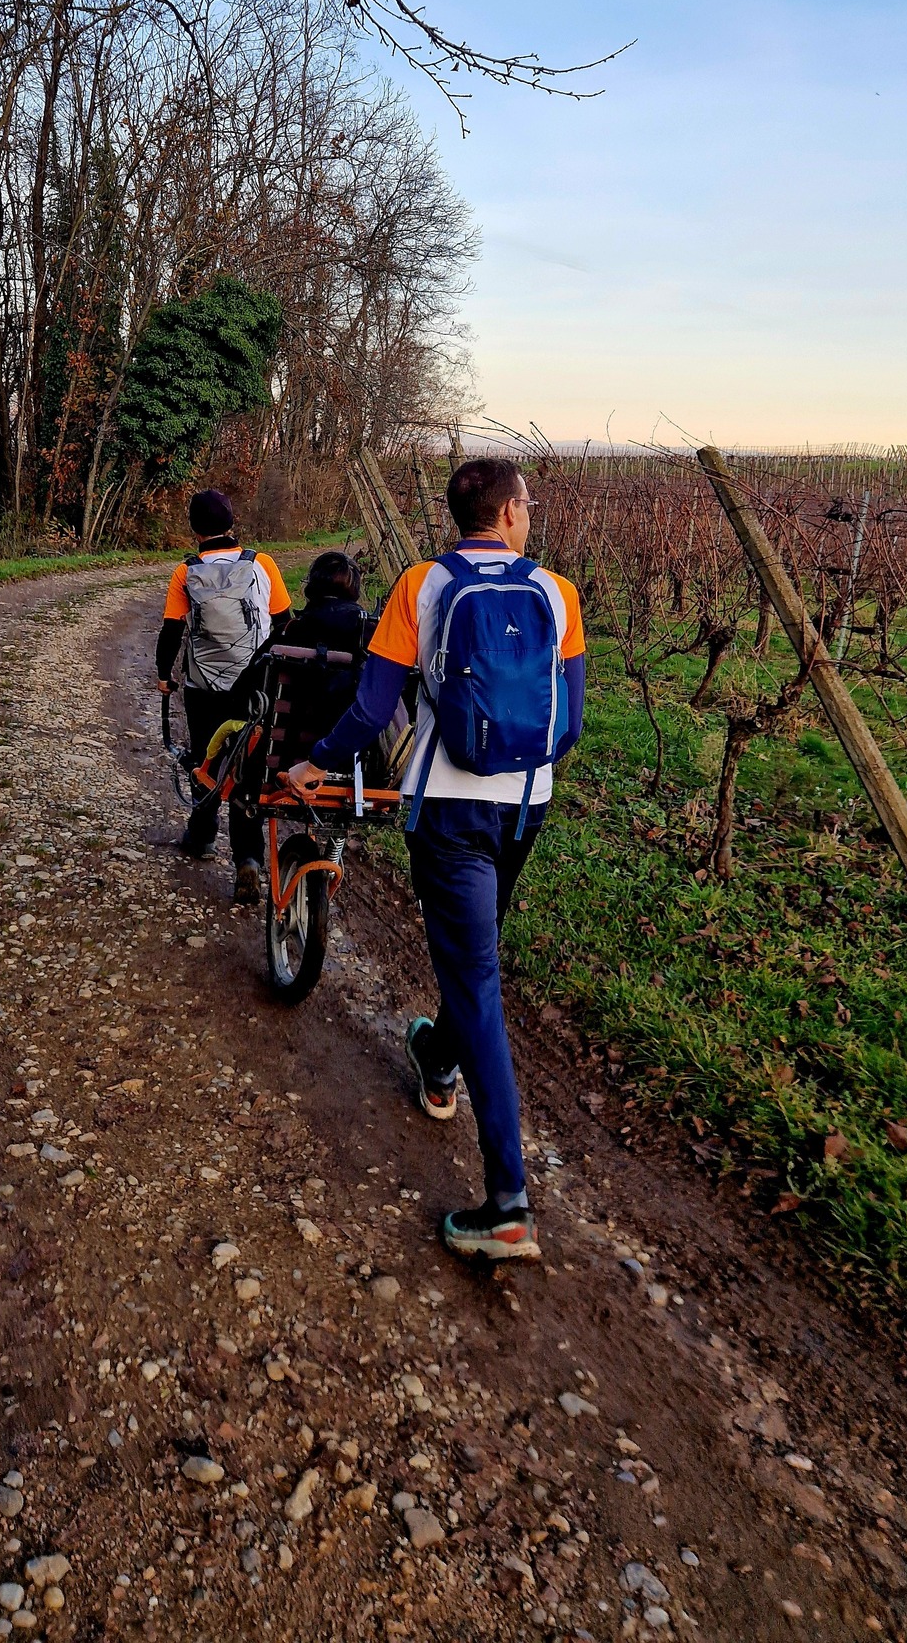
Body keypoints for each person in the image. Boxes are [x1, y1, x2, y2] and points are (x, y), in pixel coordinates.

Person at [288, 458, 585, 1262]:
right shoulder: (558, 593)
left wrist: (316, 761)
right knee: (475, 955)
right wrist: (518, 771)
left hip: (447, 809)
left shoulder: (420, 586)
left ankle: (510, 1202)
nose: (529, 514)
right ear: (511, 513)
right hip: (525, 806)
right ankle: (439, 1060)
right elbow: (569, 724)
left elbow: (371, 709)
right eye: (528, 504)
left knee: (474, 973)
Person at [156, 488, 291, 904]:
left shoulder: (186, 572)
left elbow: (171, 631)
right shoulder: (261, 564)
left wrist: (164, 676)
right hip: (255, 690)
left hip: (203, 688)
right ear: (232, 522)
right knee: (248, 769)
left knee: (205, 759)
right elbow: (285, 623)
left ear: (195, 530)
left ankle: (202, 835)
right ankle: (248, 859)